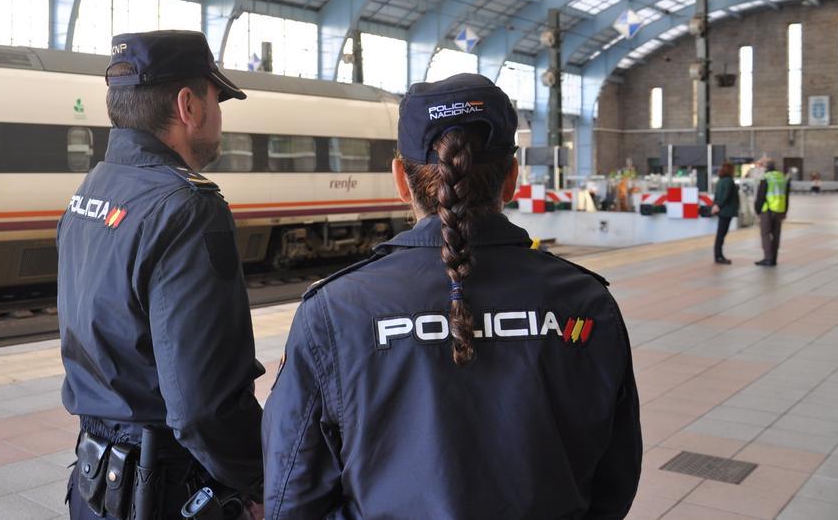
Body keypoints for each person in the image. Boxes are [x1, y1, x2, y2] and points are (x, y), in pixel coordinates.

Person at [262, 74, 642, 519]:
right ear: (512, 179)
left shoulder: (334, 311)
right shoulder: (587, 304)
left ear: (401, 180)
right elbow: (614, 482)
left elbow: (291, 492)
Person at [58, 31, 263, 520]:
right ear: (188, 105)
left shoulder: (92, 189)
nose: (219, 117)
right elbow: (202, 405)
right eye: (218, 99)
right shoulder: (188, 207)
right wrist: (259, 481)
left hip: (95, 485)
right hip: (171, 491)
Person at [754, 159, 790, 267]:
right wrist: (785, 211)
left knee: (765, 234)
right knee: (776, 234)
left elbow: (761, 196)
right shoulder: (782, 177)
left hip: (767, 209)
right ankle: (774, 258)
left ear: (766, 168)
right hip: (779, 209)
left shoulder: (766, 177)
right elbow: (787, 196)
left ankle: (768, 258)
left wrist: (758, 210)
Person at [712, 162, 739, 264]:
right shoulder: (729, 181)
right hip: (726, 211)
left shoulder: (720, 180)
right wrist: (719, 205)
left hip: (721, 211)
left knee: (720, 234)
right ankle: (718, 256)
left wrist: (715, 205)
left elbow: (717, 195)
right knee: (721, 234)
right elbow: (726, 196)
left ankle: (718, 255)